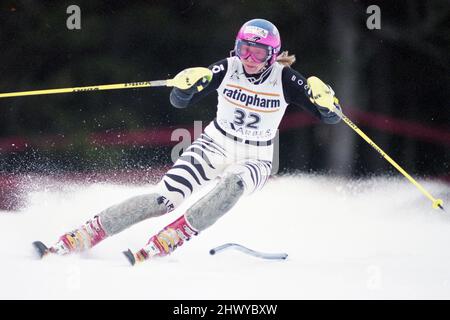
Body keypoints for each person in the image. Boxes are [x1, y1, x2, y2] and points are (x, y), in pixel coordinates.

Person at [35, 18, 342, 264]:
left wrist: (328, 104)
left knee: (233, 185)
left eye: (258, 52)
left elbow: (330, 117)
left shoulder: (286, 79)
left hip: (257, 156)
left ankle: (172, 237)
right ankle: (85, 234)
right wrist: (184, 88)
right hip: (214, 144)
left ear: (272, 55)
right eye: (243, 48)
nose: (248, 58)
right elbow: (180, 99)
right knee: (163, 199)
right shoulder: (228, 67)